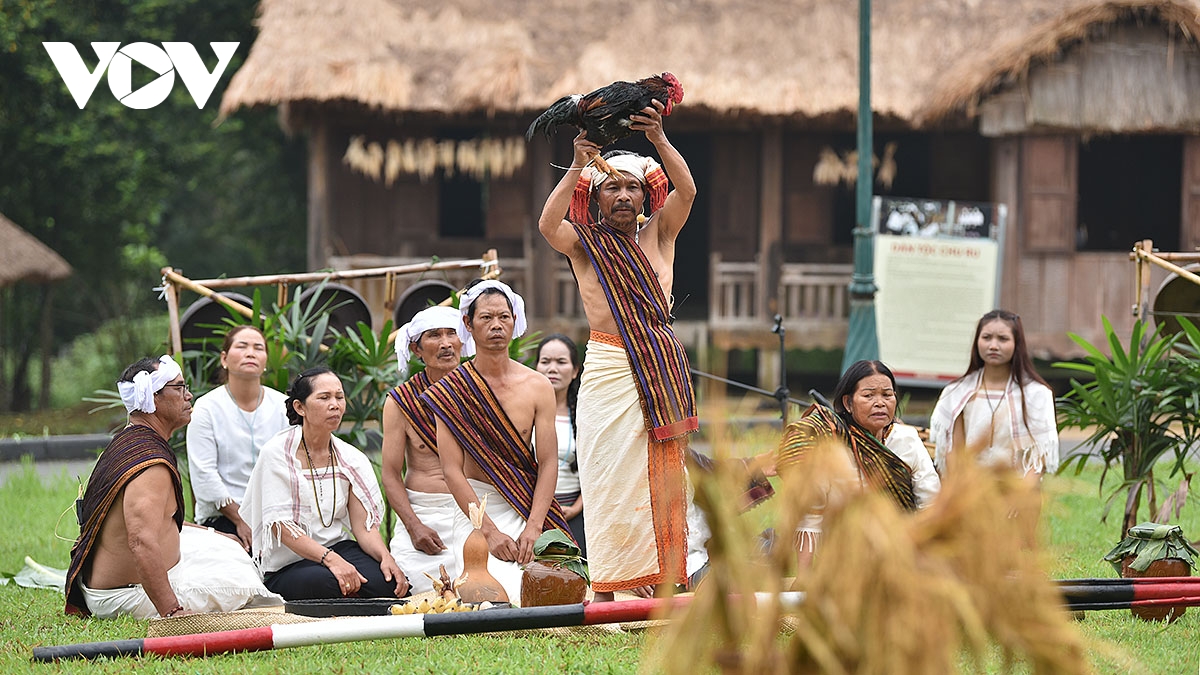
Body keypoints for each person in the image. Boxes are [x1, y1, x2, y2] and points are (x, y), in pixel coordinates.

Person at [537, 99, 698, 601]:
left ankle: (663, 581)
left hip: (660, 366)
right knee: (606, 479)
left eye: (632, 187)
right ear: (598, 198)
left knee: (663, 476)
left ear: (646, 196)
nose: (623, 195)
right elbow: (548, 224)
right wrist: (579, 167)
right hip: (608, 367)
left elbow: (688, 190)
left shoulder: (661, 234)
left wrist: (659, 140)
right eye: (612, 187)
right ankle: (606, 590)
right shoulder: (585, 246)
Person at [65, 356, 280, 619]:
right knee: (242, 581)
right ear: (153, 398)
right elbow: (141, 541)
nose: (189, 395)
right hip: (125, 596)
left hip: (119, 585)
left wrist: (213, 533)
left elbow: (158, 520)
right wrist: (171, 611)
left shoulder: (131, 439)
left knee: (227, 546)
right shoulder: (150, 465)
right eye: (179, 388)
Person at [420, 280, 572, 602]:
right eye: (486, 318)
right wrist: (489, 532)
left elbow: (547, 462)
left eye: (504, 317)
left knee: (561, 587)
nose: (496, 326)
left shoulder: (537, 386)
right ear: (468, 325)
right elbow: (452, 472)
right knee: (495, 592)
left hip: (527, 504)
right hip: (477, 510)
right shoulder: (450, 391)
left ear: (514, 321)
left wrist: (534, 526)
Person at [241, 367, 409, 600]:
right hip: (290, 563)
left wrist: (386, 557)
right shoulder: (277, 454)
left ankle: (348, 598)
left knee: (386, 582)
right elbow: (283, 529)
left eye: (339, 397)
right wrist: (331, 560)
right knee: (327, 583)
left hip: (338, 549)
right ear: (300, 407)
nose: (335, 405)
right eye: (324, 397)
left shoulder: (350, 458)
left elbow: (363, 527)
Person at [777, 360, 941, 567]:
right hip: (842, 562)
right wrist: (804, 576)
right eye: (869, 395)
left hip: (901, 558)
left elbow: (930, 503)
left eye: (887, 395)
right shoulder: (831, 444)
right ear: (848, 403)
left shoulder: (907, 440)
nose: (880, 402)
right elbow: (811, 516)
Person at [381, 305, 468, 594]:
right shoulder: (401, 402)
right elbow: (391, 474)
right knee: (417, 588)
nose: (445, 343)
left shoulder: (484, 393)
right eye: (434, 336)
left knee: (492, 586)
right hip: (424, 512)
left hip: (476, 512)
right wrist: (414, 526)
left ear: (464, 340)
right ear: (417, 349)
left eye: (451, 334)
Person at [186, 325, 288, 550]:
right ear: (224, 358)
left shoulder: (283, 406)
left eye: (258, 348)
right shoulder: (206, 408)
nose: (250, 352)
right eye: (242, 346)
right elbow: (204, 475)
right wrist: (240, 520)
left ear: (265, 361)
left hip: (276, 514)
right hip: (223, 517)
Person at [930, 310, 1059, 477]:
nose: (993, 346)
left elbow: (1037, 459)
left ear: (1017, 343)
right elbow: (954, 454)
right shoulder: (957, 392)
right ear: (977, 341)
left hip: (1017, 488)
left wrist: (1020, 497)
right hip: (970, 489)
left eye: (1003, 339)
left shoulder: (1036, 394)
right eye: (986, 337)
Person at [535, 333, 587, 556]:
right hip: (528, 510)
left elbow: (598, 470)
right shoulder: (522, 414)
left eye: (561, 362)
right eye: (545, 362)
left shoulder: (586, 416)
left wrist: (576, 508)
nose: (552, 369)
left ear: (575, 371)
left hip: (574, 511)